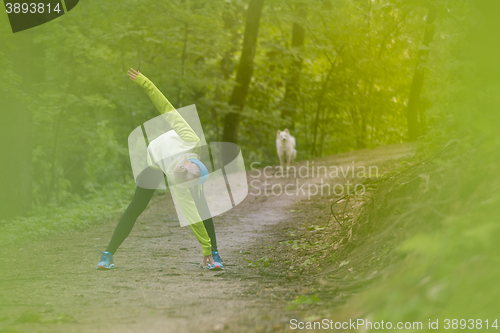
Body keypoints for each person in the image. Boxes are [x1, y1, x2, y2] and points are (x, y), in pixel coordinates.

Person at [97, 68, 223, 270]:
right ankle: (107, 254)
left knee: (200, 206)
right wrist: (144, 81)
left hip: (178, 163)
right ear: (186, 165)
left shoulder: (181, 182)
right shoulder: (190, 139)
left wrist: (206, 249)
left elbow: (191, 215)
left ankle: (215, 254)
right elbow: (167, 109)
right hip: (154, 157)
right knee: (136, 206)